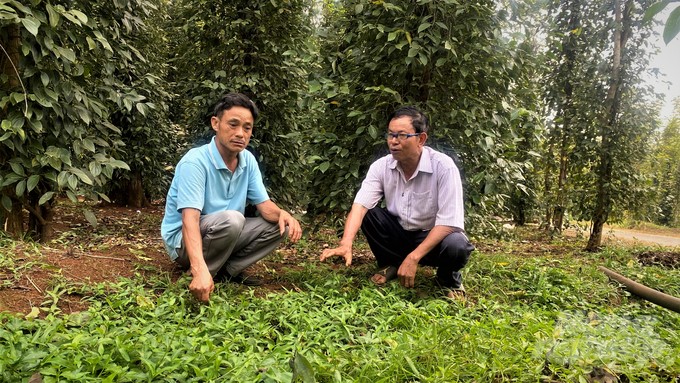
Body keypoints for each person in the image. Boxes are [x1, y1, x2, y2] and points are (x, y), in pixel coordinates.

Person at [161, 93, 302, 302]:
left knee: (281, 225)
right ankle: (198, 273)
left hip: (223, 232)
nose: (240, 134)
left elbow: (265, 207)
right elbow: (189, 220)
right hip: (183, 243)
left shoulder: (248, 160)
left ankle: (226, 272)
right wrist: (199, 269)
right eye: (233, 125)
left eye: (247, 128)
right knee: (233, 219)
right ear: (215, 123)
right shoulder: (195, 162)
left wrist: (284, 214)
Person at [320, 106, 474, 298]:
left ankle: (448, 280)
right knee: (371, 215)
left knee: (456, 243)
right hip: (400, 234)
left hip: (432, 239)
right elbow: (360, 206)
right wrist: (346, 242)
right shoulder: (381, 166)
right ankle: (390, 263)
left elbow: (449, 222)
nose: (393, 141)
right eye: (391, 135)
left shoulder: (443, 167)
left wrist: (414, 257)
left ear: (421, 139)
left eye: (401, 135)